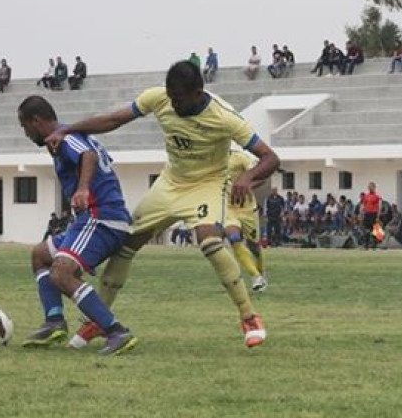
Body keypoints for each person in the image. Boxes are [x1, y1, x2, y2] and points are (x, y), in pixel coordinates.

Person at [46, 61, 280, 349]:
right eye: (170, 96)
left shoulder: (223, 117)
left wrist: (248, 176)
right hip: (170, 182)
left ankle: (249, 316)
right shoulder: (160, 97)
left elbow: (270, 158)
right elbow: (113, 120)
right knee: (127, 245)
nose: (172, 103)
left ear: (197, 93)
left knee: (208, 240)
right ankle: (97, 321)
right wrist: (68, 129)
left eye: (178, 99)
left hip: (207, 184)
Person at [17, 95, 138, 355]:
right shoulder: (65, 137)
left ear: (36, 121)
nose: (25, 133)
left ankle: (116, 331)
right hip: (91, 220)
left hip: (101, 218)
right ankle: (54, 321)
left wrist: (83, 189)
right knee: (40, 255)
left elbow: (89, 156)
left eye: (24, 126)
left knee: (60, 272)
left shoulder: (66, 138)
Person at [224, 150, 269, 292]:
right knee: (234, 238)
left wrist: (248, 186)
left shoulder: (240, 157)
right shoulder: (212, 161)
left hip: (248, 209)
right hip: (229, 209)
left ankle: (261, 275)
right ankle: (255, 276)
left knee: (254, 247)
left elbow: (262, 176)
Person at [361, 182, 381, 250]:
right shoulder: (366, 196)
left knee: (375, 230)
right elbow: (364, 205)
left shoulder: (377, 196)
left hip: (374, 214)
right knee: (366, 230)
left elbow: (379, 206)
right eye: (368, 187)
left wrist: (378, 216)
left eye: (371, 187)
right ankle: (366, 245)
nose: (369, 188)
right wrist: (362, 214)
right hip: (367, 214)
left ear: (374, 187)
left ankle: (375, 245)